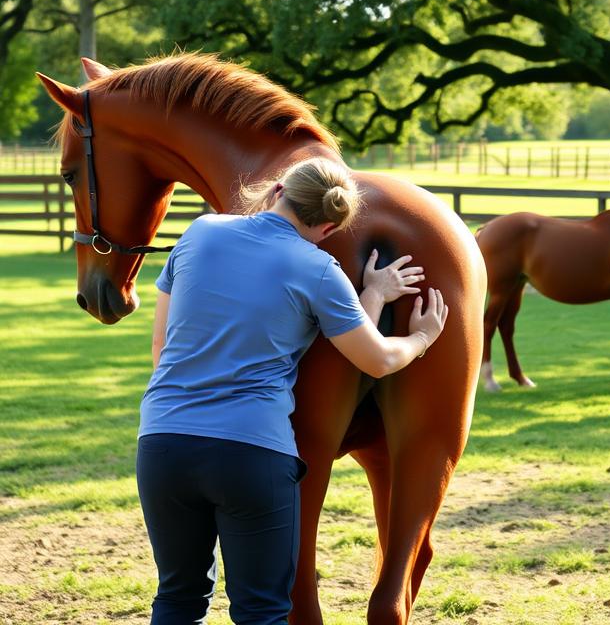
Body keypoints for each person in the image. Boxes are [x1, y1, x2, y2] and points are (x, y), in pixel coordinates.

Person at [137, 157, 449, 624]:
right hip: (251, 454)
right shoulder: (318, 268)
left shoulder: (200, 232)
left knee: (178, 598)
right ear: (327, 227)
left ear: (278, 189)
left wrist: (374, 298)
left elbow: (161, 347)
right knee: (262, 609)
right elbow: (376, 359)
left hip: (162, 446)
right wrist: (420, 336)